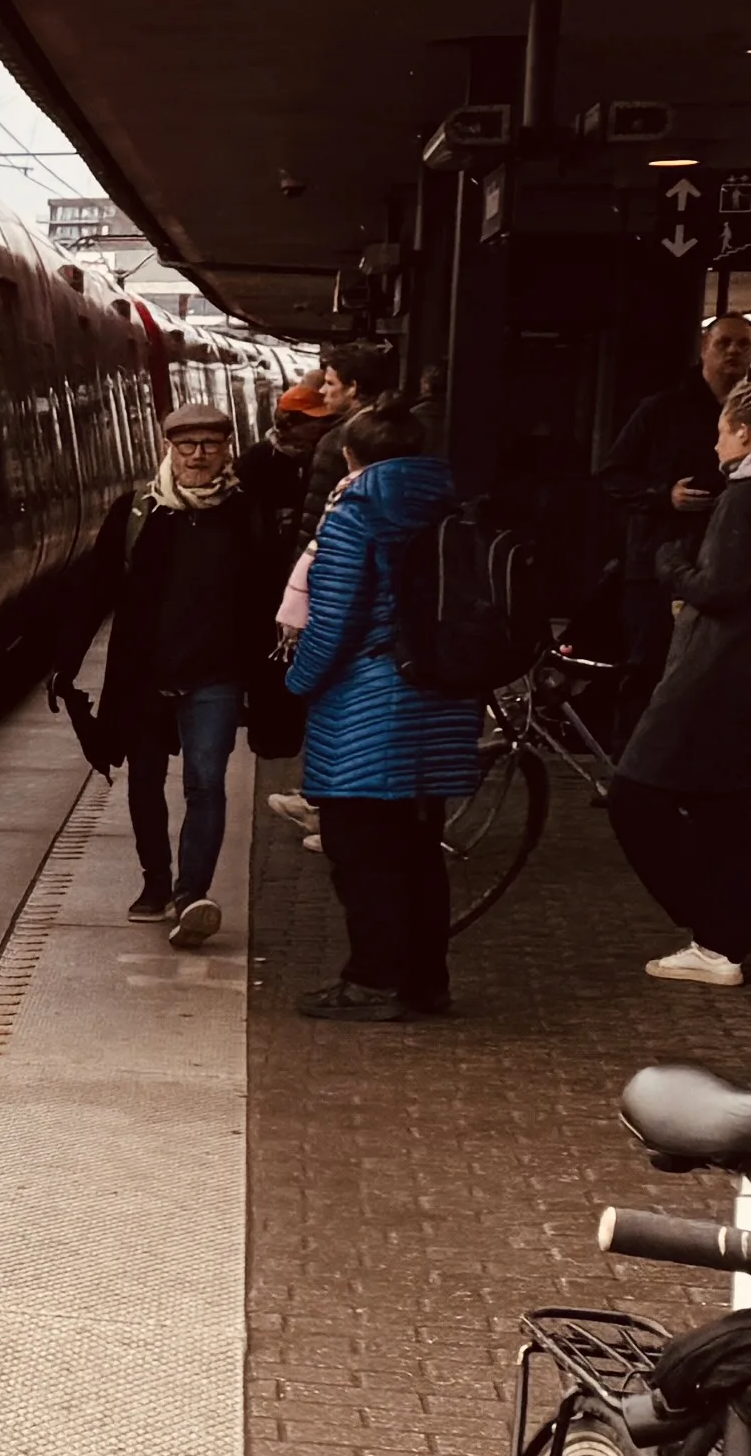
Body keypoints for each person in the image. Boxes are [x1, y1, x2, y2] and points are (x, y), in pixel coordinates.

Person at [602, 378, 751, 987]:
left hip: (712, 673)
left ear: (745, 434)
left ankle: (708, 923)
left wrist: (671, 566)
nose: (716, 441)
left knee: (634, 796)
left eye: (723, 430)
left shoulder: (747, 497)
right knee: (721, 811)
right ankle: (721, 942)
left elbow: (721, 589)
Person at [281, 401, 482, 1020]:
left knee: (361, 852)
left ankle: (373, 982)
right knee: (419, 850)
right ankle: (425, 982)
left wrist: (297, 682)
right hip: (439, 702)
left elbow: (335, 620)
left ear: (350, 456)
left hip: (370, 707)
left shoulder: (356, 514)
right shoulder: (448, 508)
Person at [89, 403, 287, 950]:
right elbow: (94, 590)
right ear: (167, 449)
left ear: (228, 448)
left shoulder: (248, 511)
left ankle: (189, 894)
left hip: (216, 675)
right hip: (145, 674)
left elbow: (271, 591)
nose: (198, 455)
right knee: (145, 782)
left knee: (206, 783)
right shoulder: (137, 511)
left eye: (211, 444)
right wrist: (64, 664)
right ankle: (154, 882)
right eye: (187, 445)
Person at [598, 317, 751, 700]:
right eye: (724, 343)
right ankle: (633, 757)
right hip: (660, 558)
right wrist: (663, 496)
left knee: (722, 674)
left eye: (743, 344)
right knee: (649, 669)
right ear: (704, 347)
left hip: (732, 560)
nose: (734, 352)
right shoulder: (662, 409)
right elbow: (613, 475)